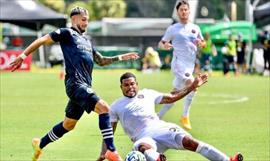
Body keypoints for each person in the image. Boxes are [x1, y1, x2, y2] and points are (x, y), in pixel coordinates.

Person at [10, 6, 139, 161]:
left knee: (69, 124)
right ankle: (111, 151)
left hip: (84, 86)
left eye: (88, 21)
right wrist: (23, 56)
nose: (86, 23)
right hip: (75, 84)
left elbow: (101, 60)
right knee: (104, 108)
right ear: (74, 19)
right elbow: (43, 39)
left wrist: (120, 57)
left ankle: (39, 144)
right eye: (84, 20)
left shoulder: (86, 41)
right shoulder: (66, 33)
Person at [99, 72, 243, 161]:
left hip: (161, 128)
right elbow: (108, 133)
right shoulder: (116, 106)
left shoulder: (148, 93)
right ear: (121, 87)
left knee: (191, 142)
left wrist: (192, 87)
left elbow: (171, 97)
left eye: (132, 84)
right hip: (142, 137)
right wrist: (103, 153)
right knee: (143, 148)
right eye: (126, 85)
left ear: (137, 84)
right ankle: (158, 159)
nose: (130, 87)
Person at [157, 0, 205, 130]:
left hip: (190, 65)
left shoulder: (195, 28)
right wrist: (165, 45)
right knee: (192, 83)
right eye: (181, 10)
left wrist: (202, 43)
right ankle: (185, 115)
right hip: (178, 64)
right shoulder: (173, 29)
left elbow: (202, 41)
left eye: (186, 9)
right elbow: (161, 43)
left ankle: (158, 116)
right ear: (178, 13)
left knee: (175, 94)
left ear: (189, 11)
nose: (184, 12)